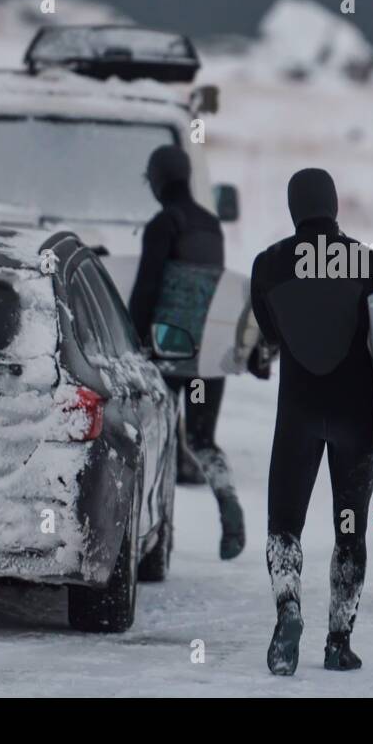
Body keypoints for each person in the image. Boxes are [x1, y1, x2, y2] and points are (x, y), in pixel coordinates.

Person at [250, 168, 373, 675]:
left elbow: (269, 331)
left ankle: (288, 609)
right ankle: (338, 643)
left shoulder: (269, 265)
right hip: (356, 420)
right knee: (349, 532)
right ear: (334, 204)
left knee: (285, 524)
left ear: (293, 208)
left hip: (298, 414)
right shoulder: (369, 263)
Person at [129, 144, 245, 560]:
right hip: (205, 356)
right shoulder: (211, 225)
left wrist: (132, 339)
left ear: (157, 181)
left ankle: (157, 537)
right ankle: (226, 497)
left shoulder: (164, 223)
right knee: (200, 438)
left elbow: (147, 287)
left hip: (165, 352)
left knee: (159, 443)